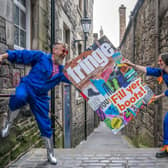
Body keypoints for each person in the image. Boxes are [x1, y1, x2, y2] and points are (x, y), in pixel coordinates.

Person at [0, 42, 70, 164]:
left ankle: (50, 154)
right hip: (28, 86)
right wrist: (3, 56)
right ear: (54, 49)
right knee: (19, 96)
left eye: (66, 52)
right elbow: (22, 55)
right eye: (62, 51)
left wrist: (90, 79)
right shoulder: (40, 56)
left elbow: (74, 79)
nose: (64, 54)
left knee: (45, 124)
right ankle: (8, 123)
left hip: (41, 97)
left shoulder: (61, 71)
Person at [122, 53, 168, 158]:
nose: (158, 62)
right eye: (158, 61)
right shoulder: (161, 72)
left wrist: (159, 96)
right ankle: (167, 148)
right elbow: (147, 70)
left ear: (166, 61)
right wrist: (132, 65)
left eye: (161, 61)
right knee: (167, 122)